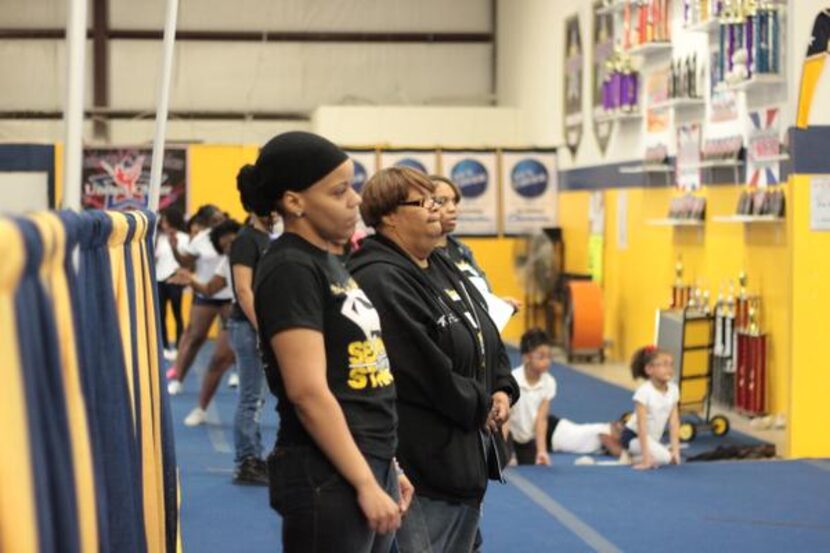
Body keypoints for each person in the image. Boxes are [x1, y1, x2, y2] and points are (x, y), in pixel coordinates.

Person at [249, 131, 410, 553]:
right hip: (325, 471)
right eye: (339, 191)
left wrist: (385, 464)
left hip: (364, 458)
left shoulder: (330, 261)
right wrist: (362, 479)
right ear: (294, 202)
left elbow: (358, 375)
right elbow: (308, 392)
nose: (355, 199)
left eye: (352, 185)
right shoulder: (290, 267)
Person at [348, 167, 519, 553]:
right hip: (420, 464)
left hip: (462, 460)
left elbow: (485, 334)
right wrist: (481, 404)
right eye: (424, 202)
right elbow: (423, 372)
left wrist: (502, 389)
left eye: (438, 201)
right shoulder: (380, 278)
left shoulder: (440, 263)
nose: (437, 210)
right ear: (390, 216)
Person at [225, 174, 279, 486]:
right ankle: (246, 460)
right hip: (248, 326)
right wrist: (264, 329)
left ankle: (254, 455)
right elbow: (244, 291)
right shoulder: (246, 241)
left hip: (256, 326)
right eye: (271, 210)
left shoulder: (264, 240)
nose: (275, 216)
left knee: (256, 397)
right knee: (250, 396)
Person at [175, 219, 241, 427]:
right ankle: (201, 408)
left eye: (231, 243)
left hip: (264, 318)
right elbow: (210, 289)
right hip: (239, 317)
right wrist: (191, 280)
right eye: (224, 245)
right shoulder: (225, 262)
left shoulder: (257, 256)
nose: (228, 247)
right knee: (217, 360)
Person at [166, 205, 232, 396]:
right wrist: (173, 248)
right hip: (206, 296)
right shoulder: (200, 240)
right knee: (195, 339)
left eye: (221, 218)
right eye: (216, 219)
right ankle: (178, 379)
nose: (220, 221)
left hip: (229, 296)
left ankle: (238, 375)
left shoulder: (231, 235)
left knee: (236, 340)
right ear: (206, 222)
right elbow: (186, 262)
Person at [430, 175, 521, 312]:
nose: (452, 209)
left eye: (454, 201)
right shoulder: (421, 255)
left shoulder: (461, 249)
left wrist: (497, 305)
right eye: (442, 201)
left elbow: (477, 297)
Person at [620, 345, 681, 469]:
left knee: (671, 457)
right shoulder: (644, 392)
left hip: (652, 439)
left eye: (671, 365)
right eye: (664, 365)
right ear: (649, 369)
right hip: (633, 437)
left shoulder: (674, 389)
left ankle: (635, 456)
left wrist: (676, 451)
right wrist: (646, 461)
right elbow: (641, 427)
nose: (669, 369)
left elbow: (674, 423)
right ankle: (636, 455)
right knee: (666, 458)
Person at [506, 328, 558, 465]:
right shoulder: (513, 380)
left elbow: (542, 419)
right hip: (509, 433)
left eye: (549, 357)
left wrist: (542, 450)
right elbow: (506, 417)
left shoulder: (549, 382)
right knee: (507, 462)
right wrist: (505, 449)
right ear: (526, 358)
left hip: (528, 437)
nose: (546, 361)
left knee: (530, 464)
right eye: (541, 357)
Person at [155, 207, 188, 361]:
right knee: (161, 315)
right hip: (159, 280)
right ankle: (164, 347)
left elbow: (186, 260)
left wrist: (180, 275)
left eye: (166, 220)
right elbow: (155, 259)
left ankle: (179, 347)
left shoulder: (183, 238)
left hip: (174, 280)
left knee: (177, 314)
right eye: (162, 220)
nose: (163, 223)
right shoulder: (159, 238)